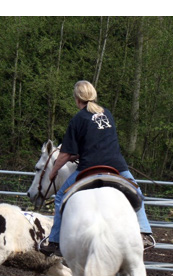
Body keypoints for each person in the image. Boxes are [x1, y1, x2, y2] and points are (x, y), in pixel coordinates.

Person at [38, 80, 154, 257]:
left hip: (90, 167)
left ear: (77, 98)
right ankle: (145, 233)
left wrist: (53, 172)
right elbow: (98, 143)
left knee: (61, 196)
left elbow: (65, 155)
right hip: (116, 165)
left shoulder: (78, 119)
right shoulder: (107, 114)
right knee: (137, 192)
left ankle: (55, 242)